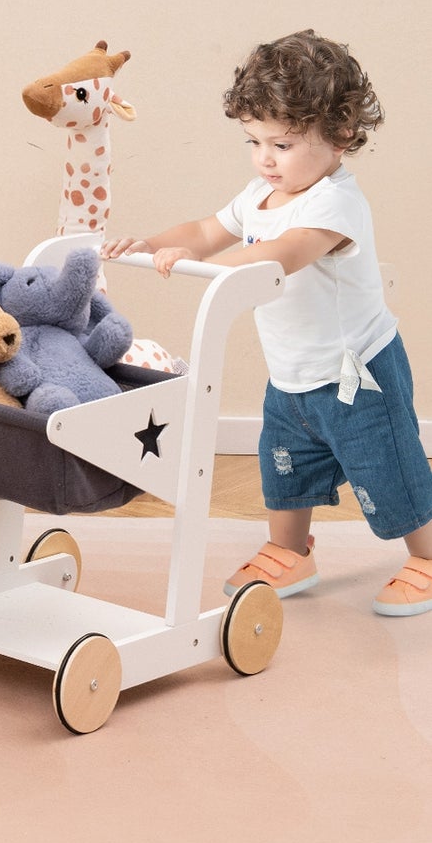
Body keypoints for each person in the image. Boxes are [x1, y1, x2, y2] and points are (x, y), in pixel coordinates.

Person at [103, 30, 432, 617]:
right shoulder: (261, 193)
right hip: (291, 376)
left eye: (281, 143)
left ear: (341, 136)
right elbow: (207, 231)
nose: (264, 158)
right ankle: (291, 549)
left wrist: (220, 268)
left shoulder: (333, 203)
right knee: (284, 464)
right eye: (254, 141)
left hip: (356, 374)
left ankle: (427, 555)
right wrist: (154, 244)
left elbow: (286, 252)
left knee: (388, 469)